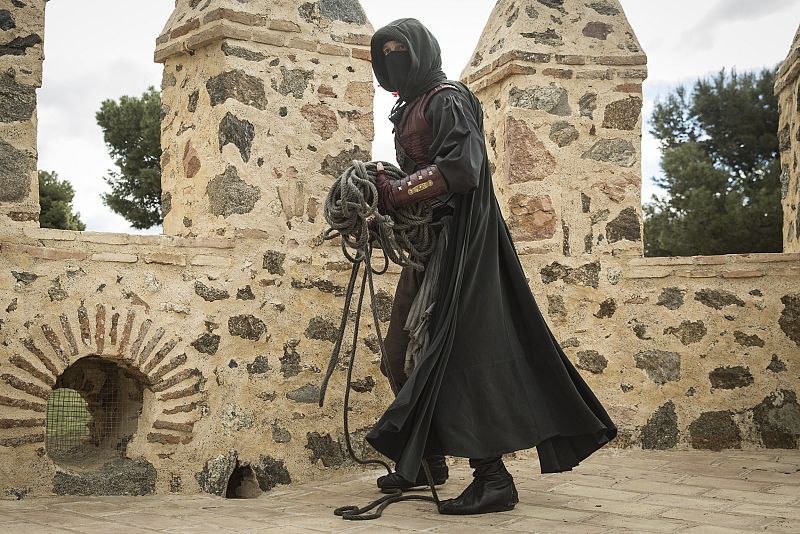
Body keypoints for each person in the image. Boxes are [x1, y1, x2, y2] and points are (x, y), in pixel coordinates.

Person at [365, 18, 618, 515]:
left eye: (400, 50)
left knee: (457, 356)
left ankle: (493, 479)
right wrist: (386, 195)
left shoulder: (447, 97)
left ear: (420, 52)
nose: (392, 58)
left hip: (465, 246)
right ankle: (427, 458)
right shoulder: (411, 105)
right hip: (432, 244)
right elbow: (424, 173)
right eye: (385, 52)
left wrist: (400, 191)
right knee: (399, 353)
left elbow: (464, 168)